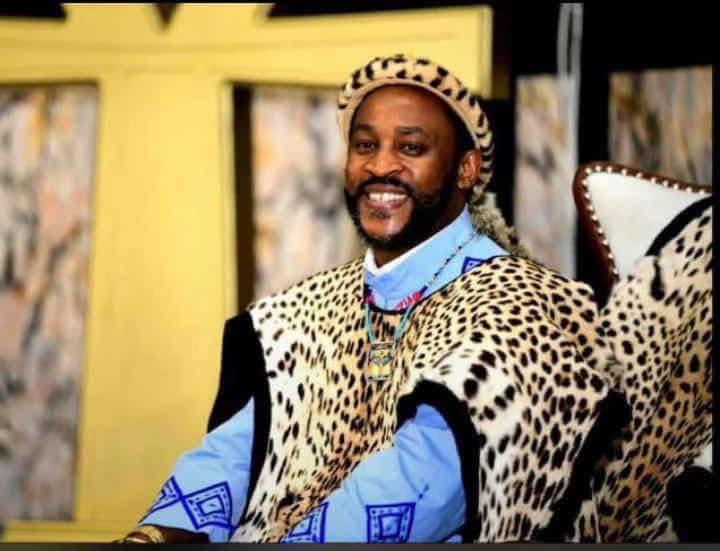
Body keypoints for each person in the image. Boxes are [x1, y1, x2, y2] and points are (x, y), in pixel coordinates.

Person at [117, 55, 713, 543]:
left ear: (465, 169)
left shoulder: (526, 308)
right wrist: (157, 536)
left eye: (410, 148)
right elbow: (239, 450)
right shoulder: (301, 311)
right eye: (365, 146)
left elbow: (421, 488)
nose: (381, 167)